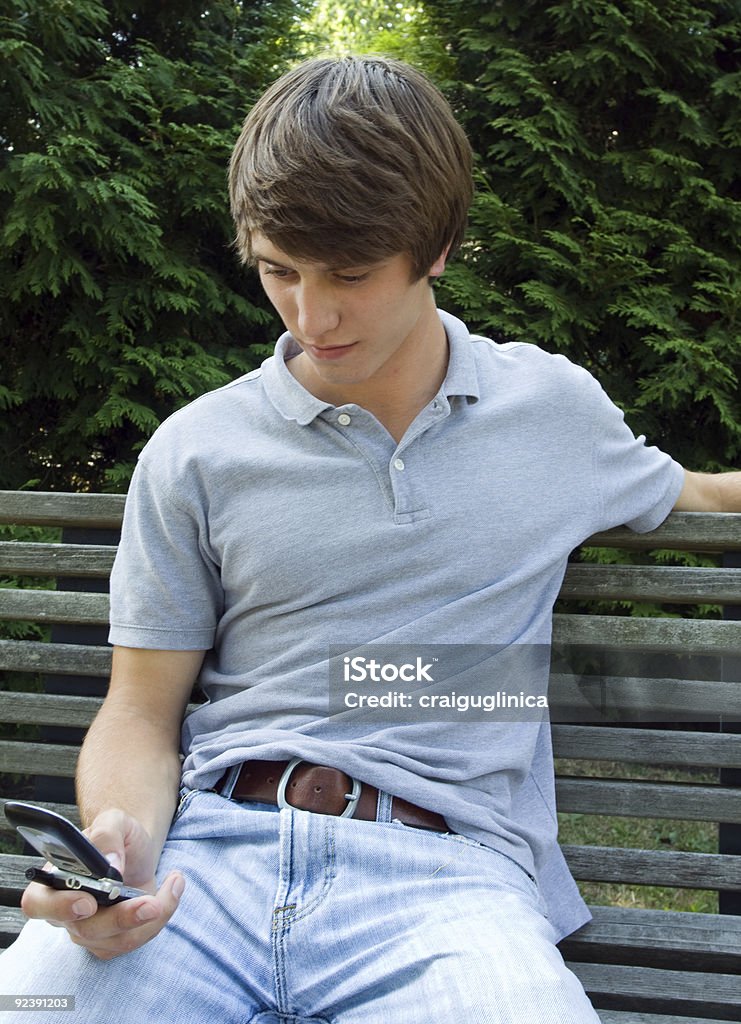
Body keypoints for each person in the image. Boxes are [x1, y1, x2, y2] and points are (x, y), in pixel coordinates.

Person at [1, 55, 739, 1024]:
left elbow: (701, 494)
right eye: (278, 271)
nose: (312, 315)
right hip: (207, 863)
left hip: (448, 883)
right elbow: (140, 711)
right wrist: (121, 845)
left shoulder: (551, 411)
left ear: (436, 247)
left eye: (350, 273)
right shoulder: (196, 449)